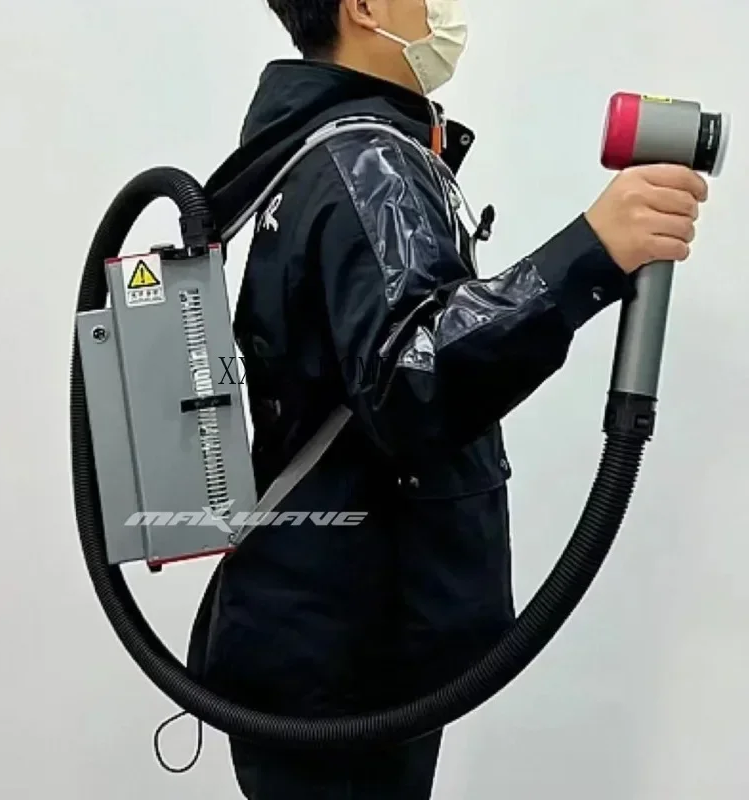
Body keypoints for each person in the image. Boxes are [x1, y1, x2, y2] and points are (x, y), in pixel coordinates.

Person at [187, 1, 708, 797]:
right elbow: (415, 380)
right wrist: (590, 253)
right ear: (365, 8)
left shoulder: (313, 150)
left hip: (327, 630)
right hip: (347, 652)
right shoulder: (364, 160)